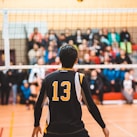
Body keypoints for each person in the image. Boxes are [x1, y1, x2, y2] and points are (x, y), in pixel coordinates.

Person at [32, 45, 109, 137]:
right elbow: (90, 105)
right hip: (76, 130)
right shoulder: (80, 78)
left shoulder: (48, 79)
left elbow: (38, 105)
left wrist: (36, 124)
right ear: (76, 60)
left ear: (60, 59)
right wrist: (103, 126)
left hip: (53, 131)